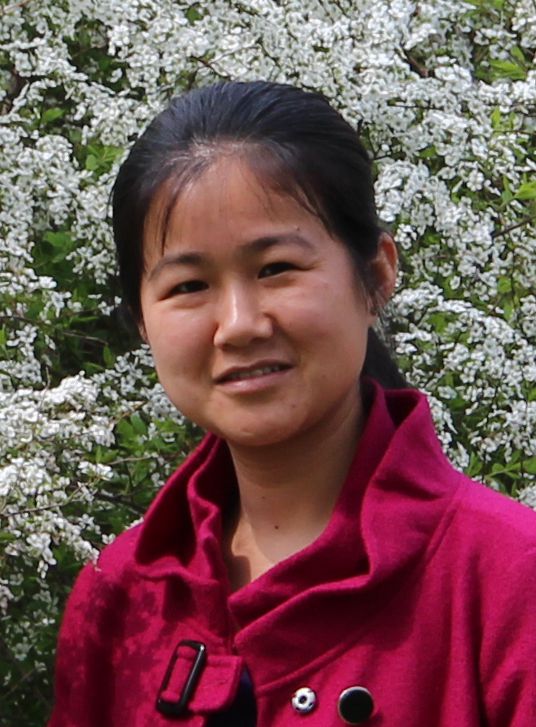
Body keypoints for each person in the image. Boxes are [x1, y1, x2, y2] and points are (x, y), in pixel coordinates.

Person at [49, 81, 535, 727]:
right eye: (188, 285)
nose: (239, 324)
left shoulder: (508, 583)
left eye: (276, 268)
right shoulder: (117, 600)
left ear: (376, 276)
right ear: (142, 319)